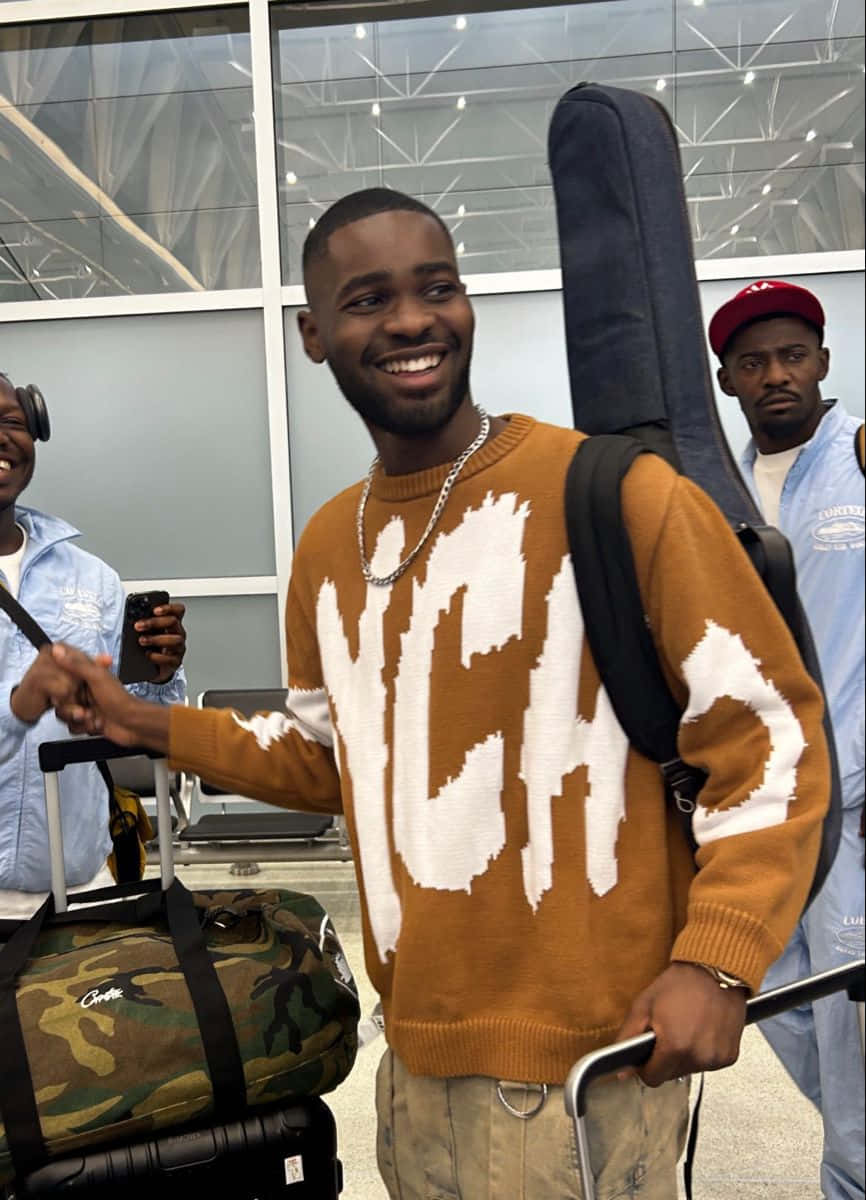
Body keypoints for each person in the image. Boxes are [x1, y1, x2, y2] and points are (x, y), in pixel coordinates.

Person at [51, 190, 830, 1200]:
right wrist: (138, 719)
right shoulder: (329, 546)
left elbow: (766, 732)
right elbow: (329, 760)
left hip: (593, 1065)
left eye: (437, 288)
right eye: (368, 298)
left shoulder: (614, 493)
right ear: (314, 335)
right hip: (413, 1062)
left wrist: (716, 960)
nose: (413, 320)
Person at [712, 280, 865, 1200]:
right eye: (753, 361)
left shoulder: (859, 458)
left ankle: (851, 1179)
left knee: (847, 1014)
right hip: (762, 807)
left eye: (792, 355)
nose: (776, 375)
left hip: (855, 806)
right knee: (777, 1000)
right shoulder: (713, 491)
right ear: (727, 380)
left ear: (823, 363)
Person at [0, 371, 187, 918]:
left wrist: (158, 677)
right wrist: (18, 706)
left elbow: (140, 730)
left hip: (78, 898)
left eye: (12, 422)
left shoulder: (92, 579)